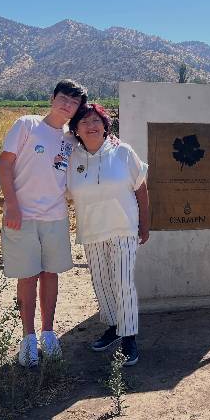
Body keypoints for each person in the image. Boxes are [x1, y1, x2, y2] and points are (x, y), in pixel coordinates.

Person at [0, 79, 86, 366]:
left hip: (56, 216)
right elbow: (6, 164)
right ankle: (28, 339)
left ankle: (48, 334)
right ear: (52, 98)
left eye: (73, 103)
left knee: (51, 274)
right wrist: (11, 204)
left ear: (77, 109)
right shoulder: (26, 125)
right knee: (28, 275)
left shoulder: (71, 140)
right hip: (22, 216)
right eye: (63, 98)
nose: (67, 105)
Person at [67, 103, 149, 367]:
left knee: (123, 282)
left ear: (105, 125)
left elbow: (141, 189)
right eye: (84, 123)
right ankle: (114, 326)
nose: (91, 127)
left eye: (96, 121)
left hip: (123, 228)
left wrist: (144, 225)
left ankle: (129, 338)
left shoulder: (123, 152)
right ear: (76, 130)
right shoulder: (72, 157)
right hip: (91, 230)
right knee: (101, 283)